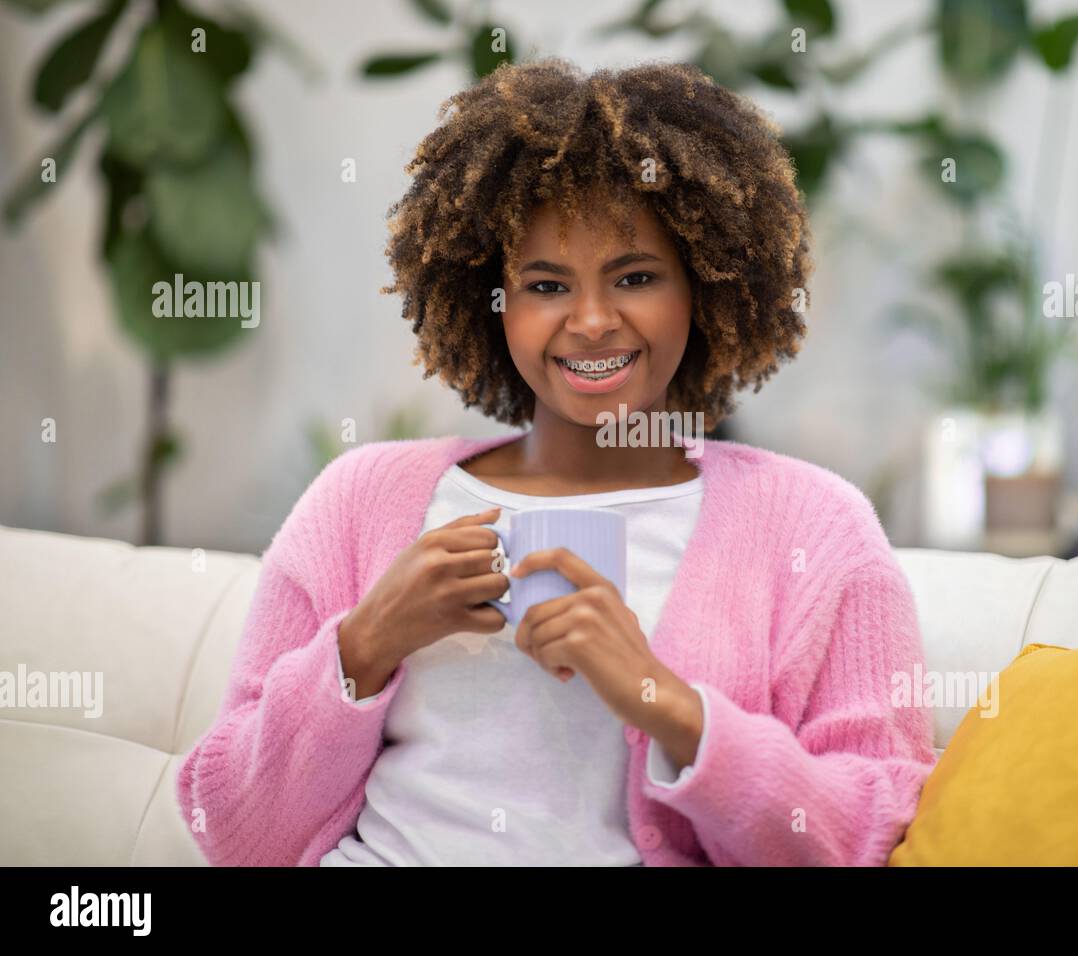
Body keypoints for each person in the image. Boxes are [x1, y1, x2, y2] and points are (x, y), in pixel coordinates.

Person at [176, 58, 937, 867]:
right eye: (545, 285)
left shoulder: (815, 528)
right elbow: (231, 832)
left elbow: (867, 833)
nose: (592, 321)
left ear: (708, 288)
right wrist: (363, 645)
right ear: (488, 299)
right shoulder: (362, 500)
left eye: (635, 277)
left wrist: (671, 707)